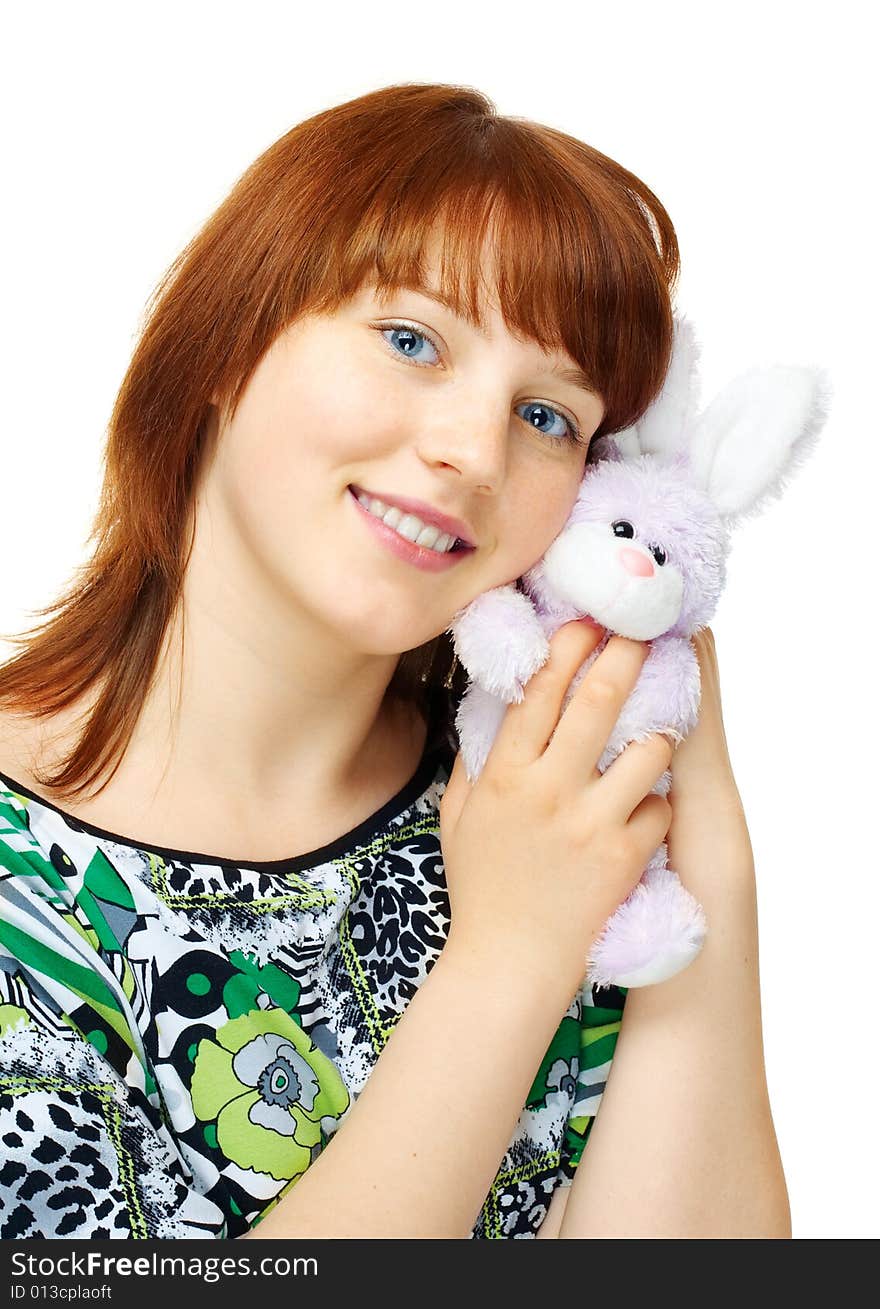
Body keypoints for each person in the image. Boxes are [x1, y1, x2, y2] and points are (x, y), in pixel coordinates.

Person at [0, 82, 790, 1240]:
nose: (471, 450)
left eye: (547, 416)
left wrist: (694, 812)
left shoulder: (546, 816)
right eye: (411, 340)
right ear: (230, 340)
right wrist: (507, 959)